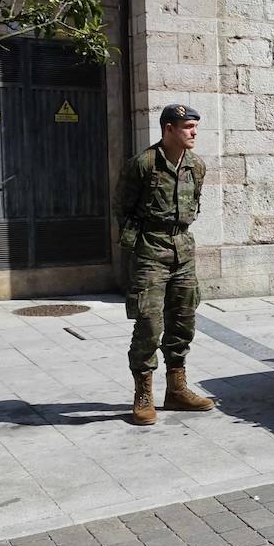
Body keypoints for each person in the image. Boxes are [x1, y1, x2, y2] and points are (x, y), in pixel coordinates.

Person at [114, 104, 216, 425]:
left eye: (195, 126)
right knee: (149, 322)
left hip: (183, 248)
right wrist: (135, 250)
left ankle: (177, 389)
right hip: (150, 249)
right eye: (187, 126)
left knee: (183, 319)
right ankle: (143, 394)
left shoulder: (196, 167)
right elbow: (122, 207)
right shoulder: (143, 164)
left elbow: (194, 205)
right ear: (168, 129)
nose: (194, 132)